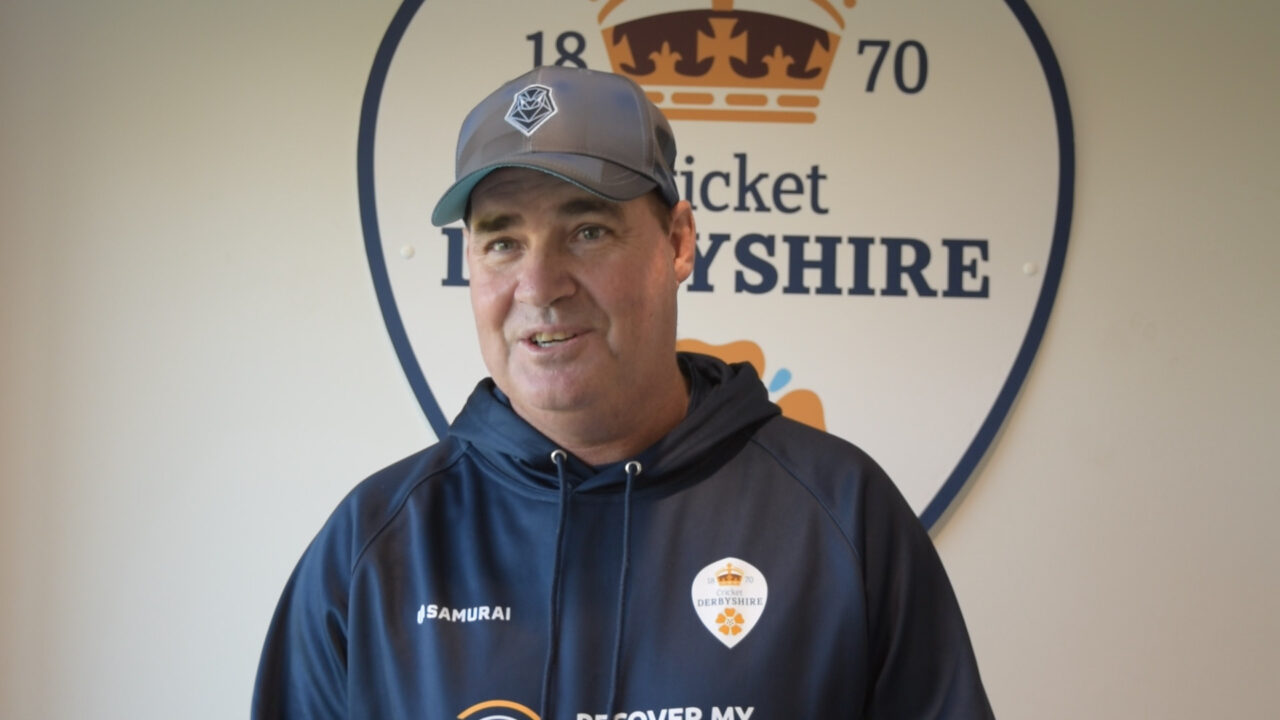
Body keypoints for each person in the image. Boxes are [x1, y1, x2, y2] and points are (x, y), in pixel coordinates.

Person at [253, 66, 994, 720]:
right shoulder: (373, 549)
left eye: (587, 232)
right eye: (503, 242)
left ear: (678, 242)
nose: (539, 287)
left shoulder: (842, 515)